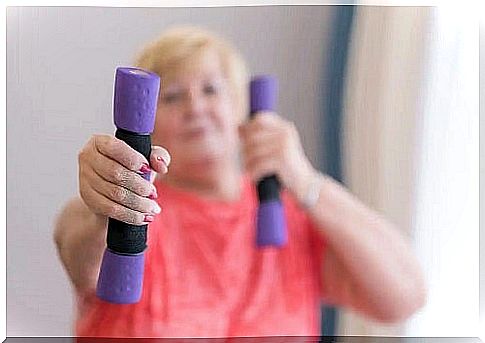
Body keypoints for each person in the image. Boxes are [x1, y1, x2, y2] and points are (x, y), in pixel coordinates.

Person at [54, 26, 427, 337]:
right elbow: (75, 244)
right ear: (147, 120)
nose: (195, 107)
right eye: (172, 96)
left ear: (240, 109)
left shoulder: (291, 219)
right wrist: (104, 207)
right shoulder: (137, 211)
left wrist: (306, 181)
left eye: (211, 90)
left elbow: (405, 295)